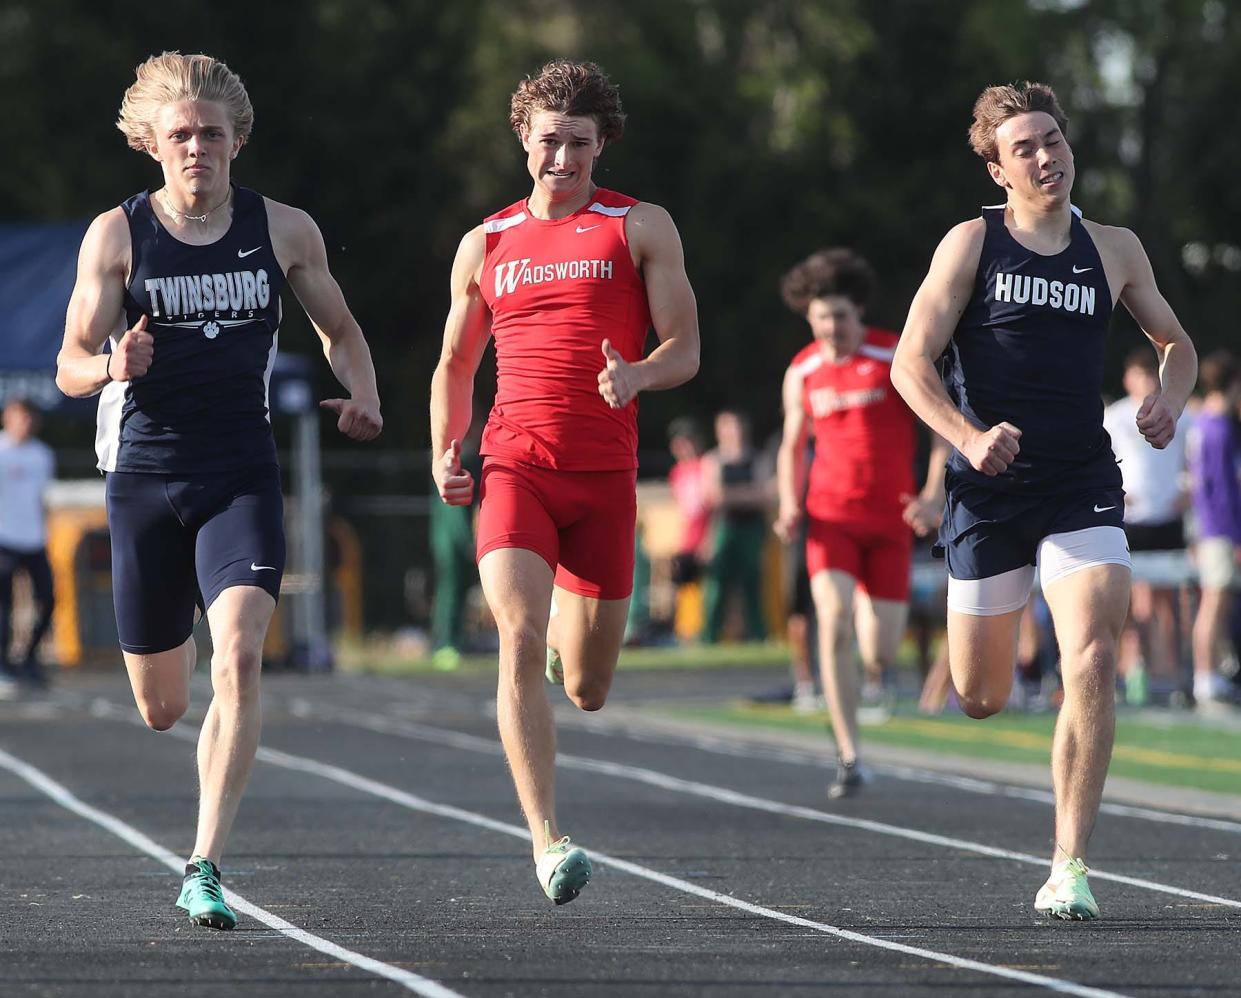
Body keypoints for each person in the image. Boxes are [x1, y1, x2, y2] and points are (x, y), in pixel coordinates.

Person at [56, 52, 382, 930]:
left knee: (240, 657)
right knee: (164, 707)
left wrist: (366, 393)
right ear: (151, 145)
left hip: (241, 471)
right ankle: (182, 643)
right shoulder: (117, 235)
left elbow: (339, 330)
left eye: (211, 133)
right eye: (180, 134)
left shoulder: (283, 231)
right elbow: (68, 364)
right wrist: (110, 362)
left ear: (237, 139)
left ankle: (203, 864)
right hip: (145, 477)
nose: (196, 146)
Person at [891, 82, 1197, 920]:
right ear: (997, 167)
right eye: (1023, 147)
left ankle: (1069, 865)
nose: (1045, 155)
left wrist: (1169, 397)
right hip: (987, 489)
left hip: (1079, 483)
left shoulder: (1114, 248)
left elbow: (1175, 343)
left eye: (1052, 139)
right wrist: (965, 439)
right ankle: (998, 688)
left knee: (1093, 657)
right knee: (981, 692)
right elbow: (909, 364)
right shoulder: (970, 243)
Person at [429, 60, 699, 905]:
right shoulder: (488, 242)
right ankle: (547, 840)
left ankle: (559, 648)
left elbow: (684, 347)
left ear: (600, 143)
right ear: (523, 138)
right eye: (548, 140)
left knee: (585, 688)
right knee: (514, 633)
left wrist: (639, 379)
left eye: (577, 143)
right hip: (516, 465)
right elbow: (455, 360)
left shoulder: (638, 226)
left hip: (604, 480)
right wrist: (446, 446)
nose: (561, 158)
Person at [774, 248, 947, 799]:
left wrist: (931, 495)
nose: (831, 329)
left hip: (890, 521)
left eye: (840, 317)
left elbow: (940, 430)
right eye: (821, 318)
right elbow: (791, 443)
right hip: (830, 519)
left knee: (879, 650)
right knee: (832, 618)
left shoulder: (892, 355)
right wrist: (788, 502)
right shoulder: (802, 370)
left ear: (859, 313)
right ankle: (849, 753)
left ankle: (875, 677)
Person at [1103, 347, 1191, 704]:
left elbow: (1192, 457)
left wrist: (1189, 489)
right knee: (1129, 600)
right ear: (1128, 379)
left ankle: (1167, 670)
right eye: (1138, 375)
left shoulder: (1174, 413)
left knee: (1169, 601)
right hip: (1132, 520)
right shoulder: (1115, 416)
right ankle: (1130, 667)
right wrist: (1116, 492)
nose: (1145, 381)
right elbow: (1102, 458)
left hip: (1167, 518)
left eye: (1150, 375)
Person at [1185, 350, 1241, 708]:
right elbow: (1220, 490)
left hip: (1212, 529)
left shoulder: (1204, 423)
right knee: (1214, 603)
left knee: (1218, 603)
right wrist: (1234, 536)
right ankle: (1205, 677)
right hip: (1219, 531)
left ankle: (1213, 674)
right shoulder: (1217, 428)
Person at [0, 398, 56, 688]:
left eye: (30, 418)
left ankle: (30, 659)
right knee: (3, 605)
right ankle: (3, 664)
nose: (26, 423)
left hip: (34, 539)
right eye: (21, 417)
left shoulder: (43, 455)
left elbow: (42, 498)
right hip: (4, 539)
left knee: (47, 599)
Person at [701, 410, 770, 644]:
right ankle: (709, 637)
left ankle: (759, 636)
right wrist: (748, 493)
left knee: (753, 584)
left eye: (738, 427)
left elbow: (765, 496)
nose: (735, 433)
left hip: (752, 529)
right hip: (724, 527)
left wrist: (731, 495)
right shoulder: (714, 460)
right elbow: (714, 497)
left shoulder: (757, 458)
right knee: (717, 585)